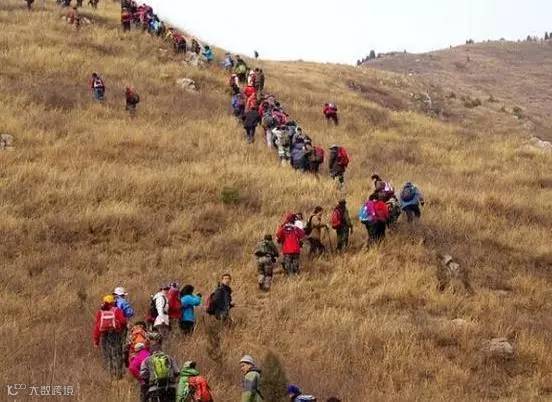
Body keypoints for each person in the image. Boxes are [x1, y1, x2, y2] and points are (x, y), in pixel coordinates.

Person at [92, 295, 127, 378]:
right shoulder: (117, 310)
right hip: (115, 334)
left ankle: (109, 376)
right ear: (113, 302)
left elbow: (97, 327)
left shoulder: (100, 312)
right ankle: (118, 375)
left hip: (104, 336)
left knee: (107, 356)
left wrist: (96, 341)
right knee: (117, 354)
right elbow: (123, 321)